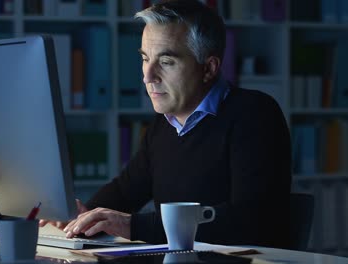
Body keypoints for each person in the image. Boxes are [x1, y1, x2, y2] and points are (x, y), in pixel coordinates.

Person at [40, 0, 292, 248]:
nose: (147, 76)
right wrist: (82, 216)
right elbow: (125, 192)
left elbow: (250, 222)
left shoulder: (255, 114)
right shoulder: (165, 124)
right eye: (145, 58)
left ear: (209, 68)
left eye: (166, 62)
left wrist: (133, 226)